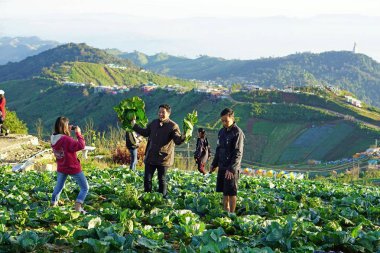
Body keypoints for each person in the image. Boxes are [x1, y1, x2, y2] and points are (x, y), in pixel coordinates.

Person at [132, 104, 185, 198]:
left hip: (164, 159)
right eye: (159, 112)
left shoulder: (173, 126)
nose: (160, 114)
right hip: (151, 156)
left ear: (168, 113)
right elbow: (145, 132)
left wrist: (184, 137)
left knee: (162, 180)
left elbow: (177, 140)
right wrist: (134, 125)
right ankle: (147, 197)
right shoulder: (154, 123)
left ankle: (162, 199)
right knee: (147, 179)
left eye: (163, 112)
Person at [50, 116, 89, 213]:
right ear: (64, 127)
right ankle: (78, 206)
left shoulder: (53, 137)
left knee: (59, 186)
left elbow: (64, 145)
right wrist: (78, 133)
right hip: (72, 167)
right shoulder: (66, 139)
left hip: (61, 166)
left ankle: (53, 204)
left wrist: (66, 131)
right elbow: (81, 145)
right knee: (85, 187)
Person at [210, 108, 244, 213]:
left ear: (232, 118)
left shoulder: (237, 133)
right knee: (224, 192)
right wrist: (214, 164)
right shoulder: (221, 132)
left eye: (226, 120)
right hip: (222, 166)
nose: (224, 123)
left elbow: (238, 152)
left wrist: (232, 169)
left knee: (231, 192)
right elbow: (219, 149)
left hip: (231, 168)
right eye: (222, 121)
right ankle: (226, 211)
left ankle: (232, 214)